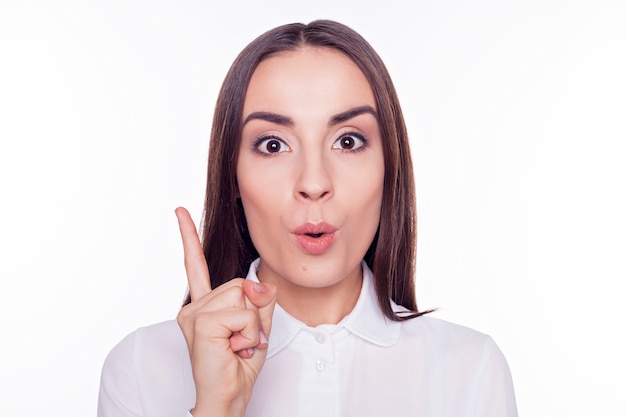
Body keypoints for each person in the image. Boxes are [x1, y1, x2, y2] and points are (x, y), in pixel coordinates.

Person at [97, 20, 518, 417]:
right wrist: (215, 407)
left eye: (348, 141)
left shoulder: (470, 371)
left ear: (390, 168)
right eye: (274, 145)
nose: (314, 183)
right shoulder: (141, 368)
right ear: (233, 175)